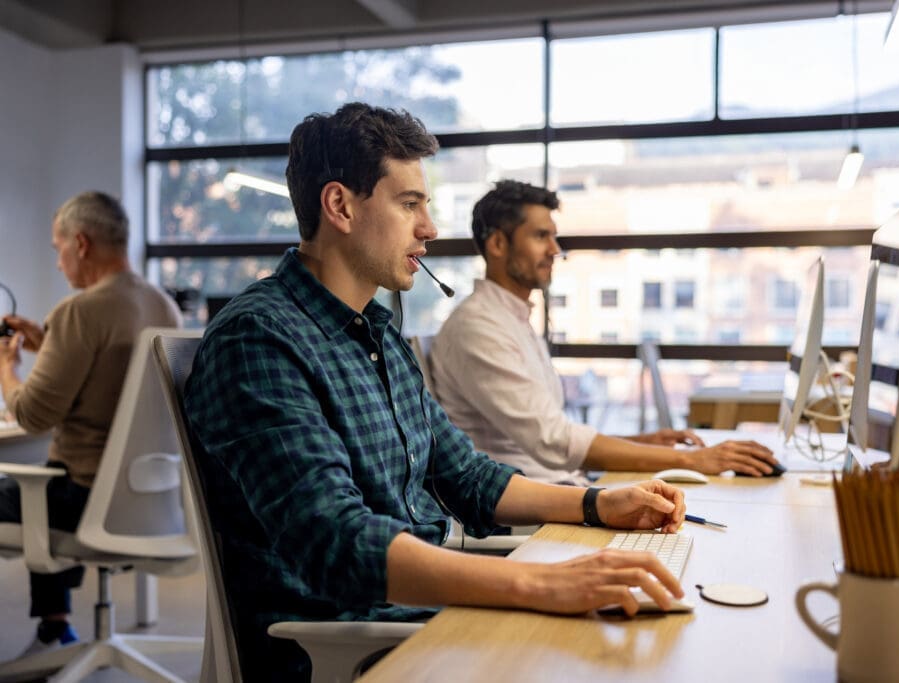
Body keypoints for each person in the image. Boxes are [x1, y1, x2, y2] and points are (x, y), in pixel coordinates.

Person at [183, 103, 688, 681]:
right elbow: (337, 542)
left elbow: (468, 478)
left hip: (419, 614)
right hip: (347, 643)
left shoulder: (378, 336)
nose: (429, 228)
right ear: (340, 206)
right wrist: (536, 581)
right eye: (410, 204)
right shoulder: (259, 340)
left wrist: (596, 505)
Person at [430, 180, 779, 486]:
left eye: (554, 236)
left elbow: (553, 434)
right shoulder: (477, 328)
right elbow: (555, 441)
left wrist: (642, 443)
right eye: (540, 236)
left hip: (560, 488)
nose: (555, 250)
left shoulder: (510, 319)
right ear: (497, 245)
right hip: (529, 512)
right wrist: (692, 461)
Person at [0, 191, 181, 654]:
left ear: (80, 243)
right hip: (153, 499)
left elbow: (33, 414)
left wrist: (7, 368)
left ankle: (53, 625)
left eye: (58, 249)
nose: (58, 264)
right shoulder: (162, 306)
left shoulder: (80, 311)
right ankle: (55, 625)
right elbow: (110, 378)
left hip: (86, 500)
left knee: (36, 487)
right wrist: (48, 343)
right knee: (43, 481)